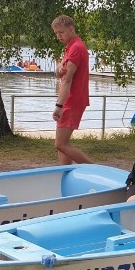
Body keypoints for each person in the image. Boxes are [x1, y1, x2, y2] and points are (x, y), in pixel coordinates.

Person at [51, 15, 91, 164]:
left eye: (61, 32)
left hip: (72, 100)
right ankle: (64, 175)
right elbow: (60, 73)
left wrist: (58, 106)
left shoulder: (76, 48)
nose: (58, 36)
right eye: (56, 33)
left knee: (60, 144)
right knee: (62, 145)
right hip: (69, 99)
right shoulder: (70, 47)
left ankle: (95, 170)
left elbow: (67, 79)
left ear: (71, 29)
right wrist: (59, 68)